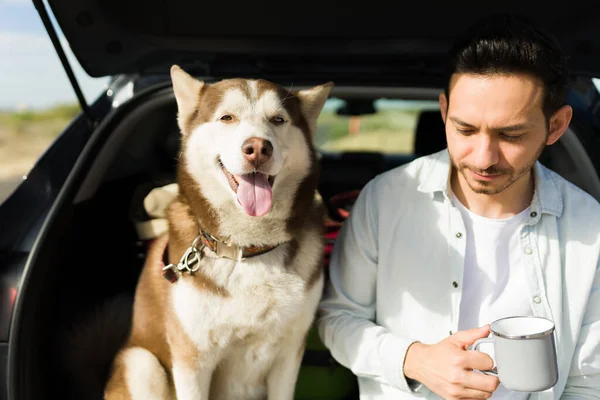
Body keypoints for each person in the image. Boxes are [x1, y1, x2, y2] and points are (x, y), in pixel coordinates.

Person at [317, 14, 600, 400]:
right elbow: (337, 320)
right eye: (465, 129)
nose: (483, 158)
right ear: (444, 110)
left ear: (556, 126)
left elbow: (589, 380)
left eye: (510, 135)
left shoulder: (592, 227)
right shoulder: (385, 198)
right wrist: (414, 360)